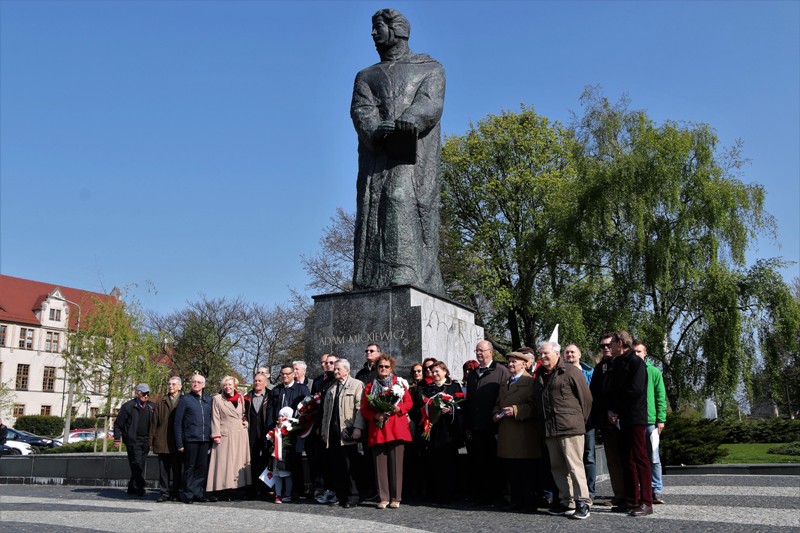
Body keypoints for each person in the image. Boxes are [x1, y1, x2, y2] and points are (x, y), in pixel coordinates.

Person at [351, 9, 446, 294]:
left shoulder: (429, 69)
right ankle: (372, 278)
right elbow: (360, 109)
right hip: (376, 157)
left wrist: (410, 119)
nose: (373, 33)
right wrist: (375, 129)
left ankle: (406, 272)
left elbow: (430, 103)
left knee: (399, 197)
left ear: (398, 30)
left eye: (378, 27)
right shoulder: (366, 75)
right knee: (373, 209)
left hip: (411, 155)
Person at [533, 342, 593, 520]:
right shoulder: (540, 374)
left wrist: (579, 420)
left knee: (575, 466)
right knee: (557, 467)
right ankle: (566, 501)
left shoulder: (571, 371)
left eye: (546, 353)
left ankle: (583, 502)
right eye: (541, 354)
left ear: (556, 353)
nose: (543, 356)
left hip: (570, 427)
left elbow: (586, 399)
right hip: (550, 429)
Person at [607, 330, 652, 516]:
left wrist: (617, 408)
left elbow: (635, 391)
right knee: (627, 459)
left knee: (640, 458)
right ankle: (631, 500)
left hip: (635, 417)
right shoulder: (617, 362)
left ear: (620, 343)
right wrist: (611, 409)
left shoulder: (636, 362)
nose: (609, 347)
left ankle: (646, 502)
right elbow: (612, 389)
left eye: (612, 343)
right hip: (622, 418)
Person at [361, 353, 413, 509]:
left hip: (396, 428)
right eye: (380, 366)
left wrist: (398, 409)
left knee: (396, 465)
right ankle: (383, 497)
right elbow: (364, 408)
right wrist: (375, 415)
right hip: (378, 429)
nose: (383, 369)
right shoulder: (370, 386)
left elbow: (409, 403)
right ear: (376, 368)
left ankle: (396, 497)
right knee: (380, 465)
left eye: (386, 366)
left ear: (391, 368)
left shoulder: (399, 383)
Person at [464, 340, 510, 505]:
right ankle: (480, 495)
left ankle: (496, 495)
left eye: (481, 350)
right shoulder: (473, 374)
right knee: (478, 462)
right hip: (476, 425)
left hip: (493, 425)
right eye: (477, 351)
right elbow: (469, 401)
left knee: (494, 462)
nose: (478, 353)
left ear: (491, 352)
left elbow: (504, 396)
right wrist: (468, 425)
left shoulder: (501, 371)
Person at [492, 351, 539, 511]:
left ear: (523, 365)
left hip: (523, 434)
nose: (510, 364)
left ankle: (529, 503)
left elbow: (535, 407)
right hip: (507, 433)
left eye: (514, 362)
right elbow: (498, 403)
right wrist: (495, 413)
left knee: (525, 471)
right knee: (512, 470)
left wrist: (516, 410)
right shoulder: (505, 382)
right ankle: (516, 501)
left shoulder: (530, 382)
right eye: (509, 362)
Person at [320, 359, 366, 508]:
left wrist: (358, 428)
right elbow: (326, 413)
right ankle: (341, 496)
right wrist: (324, 432)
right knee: (337, 466)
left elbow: (360, 409)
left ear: (347, 370)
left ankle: (353, 496)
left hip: (348, 433)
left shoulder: (357, 385)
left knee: (350, 466)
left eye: (338, 369)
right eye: (335, 369)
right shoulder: (331, 388)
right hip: (333, 434)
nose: (335, 371)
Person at [589, 332, 626, 507]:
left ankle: (633, 495)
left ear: (617, 345)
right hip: (606, 422)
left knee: (627, 459)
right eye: (602, 346)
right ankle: (619, 494)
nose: (605, 348)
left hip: (624, 420)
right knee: (612, 460)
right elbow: (595, 395)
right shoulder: (599, 368)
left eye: (608, 345)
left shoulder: (623, 364)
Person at [419, 361, 463, 504]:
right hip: (433, 429)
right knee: (435, 463)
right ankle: (437, 494)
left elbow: (461, 405)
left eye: (437, 371)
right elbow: (423, 406)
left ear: (445, 371)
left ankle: (450, 494)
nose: (434, 374)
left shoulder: (453, 386)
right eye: (433, 372)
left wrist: (451, 409)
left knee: (449, 463)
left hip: (448, 430)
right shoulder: (428, 388)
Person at [267, 364, 310, 499]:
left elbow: (307, 409)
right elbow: (270, 410)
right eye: (283, 374)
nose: (285, 376)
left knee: (295, 460)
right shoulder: (276, 390)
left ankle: (296, 491)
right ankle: (280, 491)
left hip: (295, 431)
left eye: (287, 374)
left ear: (293, 374)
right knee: (279, 462)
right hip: (279, 432)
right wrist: (271, 428)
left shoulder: (302, 389)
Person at [633, 340, 667, 505]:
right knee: (637, 458)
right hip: (634, 422)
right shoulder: (629, 371)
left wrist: (661, 419)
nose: (636, 354)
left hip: (651, 422)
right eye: (634, 352)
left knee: (653, 457)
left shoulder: (653, 372)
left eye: (639, 351)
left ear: (645, 353)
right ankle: (641, 490)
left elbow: (660, 396)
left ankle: (656, 490)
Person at [174, 373, 213, 504]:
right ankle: (188, 493)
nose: (195, 384)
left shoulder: (209, 400)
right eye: (193, 382)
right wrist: (179, 443)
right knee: (189, 468)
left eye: (198, 382)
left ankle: (198, 492)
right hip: (190, 439)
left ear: (204, 385)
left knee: (202, 467)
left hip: (205, 440)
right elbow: (178, 422)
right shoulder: (185, 399)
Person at [564, 344, 596, 500]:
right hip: (569, 421)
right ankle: (573, 493)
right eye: (567, 352)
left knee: (589, 456)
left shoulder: (590, 372)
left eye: (572, 352)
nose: (570, 355)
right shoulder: (560, 372)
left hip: (588, 420)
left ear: (579, 355)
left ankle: (590, 491)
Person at [114, 383, 155, 497]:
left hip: (146, 440)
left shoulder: (152, 406)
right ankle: (140, 486)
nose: (146, 396)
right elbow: (118, 424)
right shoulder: (128, 406)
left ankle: (132, 487)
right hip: (133, 440)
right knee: (136, 463)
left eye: (147, 394)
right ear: (137, 393)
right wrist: (117, 439)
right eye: (144, 394)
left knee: (140, 464)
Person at [150, 376, 183, 502]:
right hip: (162, 440)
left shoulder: (183, 400)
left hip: (177, 441)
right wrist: (151, 440)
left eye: (174, 384)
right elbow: (154, 422)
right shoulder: (161, 401)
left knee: (177, 469)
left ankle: (175, 492)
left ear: (179, 387)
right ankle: (164, 492)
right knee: (163, 469)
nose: (170, 386)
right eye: (169, 384)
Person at [311, 353, 338, 501]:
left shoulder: (339, 382)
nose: (327, 365)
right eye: (326, 363)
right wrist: (319, 425)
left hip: (337, 426)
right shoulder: (322, 383)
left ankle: (337, 490)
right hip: (324, 426)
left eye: (331, 363)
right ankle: (329, 489)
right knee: (326, 461)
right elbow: (321, 408)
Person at [244, 372, 271, 500]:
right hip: (252, 434)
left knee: (266, 460)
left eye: (260, 381)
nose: (257, 383)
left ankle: (266, 488)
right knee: (252, 461)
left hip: (267, 433)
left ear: (265, 383)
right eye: (255, 380)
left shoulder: (271, 396)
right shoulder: (247, 397)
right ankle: (253, 488)